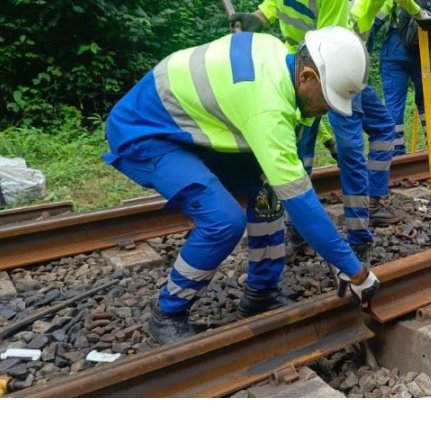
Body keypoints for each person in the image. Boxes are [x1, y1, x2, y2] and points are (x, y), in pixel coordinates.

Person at [103, 27, 379, 344]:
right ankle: (168, 313)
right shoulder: (268, 107)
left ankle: (261, 292)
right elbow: (302, 203)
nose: (328, 109)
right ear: (306, 77)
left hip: (192, 126)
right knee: (223, 220)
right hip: (144, 132)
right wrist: (355, 271)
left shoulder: (278, 57)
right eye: (328, 100)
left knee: (267, 191)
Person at [230, 0, 431, 260]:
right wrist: (260, 16)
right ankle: (300, 232)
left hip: (333, 64)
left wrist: (418, 13)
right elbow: (275, 4)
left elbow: (328, 47)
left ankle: (359, 234)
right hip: (302, 69)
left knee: (355, 145)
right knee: (308, 155)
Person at [370, 0, 431, 156]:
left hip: (395, 52)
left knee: (394, 104)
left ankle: (397, 154)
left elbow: (376, 21)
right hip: (421, 53)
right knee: (427, 100)